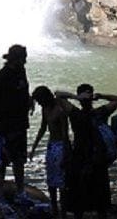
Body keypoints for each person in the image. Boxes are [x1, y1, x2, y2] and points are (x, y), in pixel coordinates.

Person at [0, 44, 33, 212]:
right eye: (23, 58)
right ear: (15, 59)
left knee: (19, 159)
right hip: (4, 126)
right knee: (1, 161)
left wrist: (29, 101)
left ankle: (20, 192)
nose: (25, 61)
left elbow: (23, 92)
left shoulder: (21, 72)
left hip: (20, 124)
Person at [59, 84, 117, 219]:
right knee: (100, 191)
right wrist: (101, 96)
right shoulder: (100, 113)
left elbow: (58, 95)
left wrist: (75, 97)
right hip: (96, 156)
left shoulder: (75, 113)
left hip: (81, 155)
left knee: (79, 191)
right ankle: (100, 213)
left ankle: (81, 214)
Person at [29, 86, 74, 218]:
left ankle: (63, 213)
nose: (39, 103)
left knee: (61, 181)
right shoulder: (45, 109)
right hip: (51, 146)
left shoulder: (60, 110)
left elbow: (66, 133)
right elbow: (43, 128)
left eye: (39, 100)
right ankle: (55, 209)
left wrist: (66, 152)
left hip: (60, 146)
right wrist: (34, 147)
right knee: (51, 181)